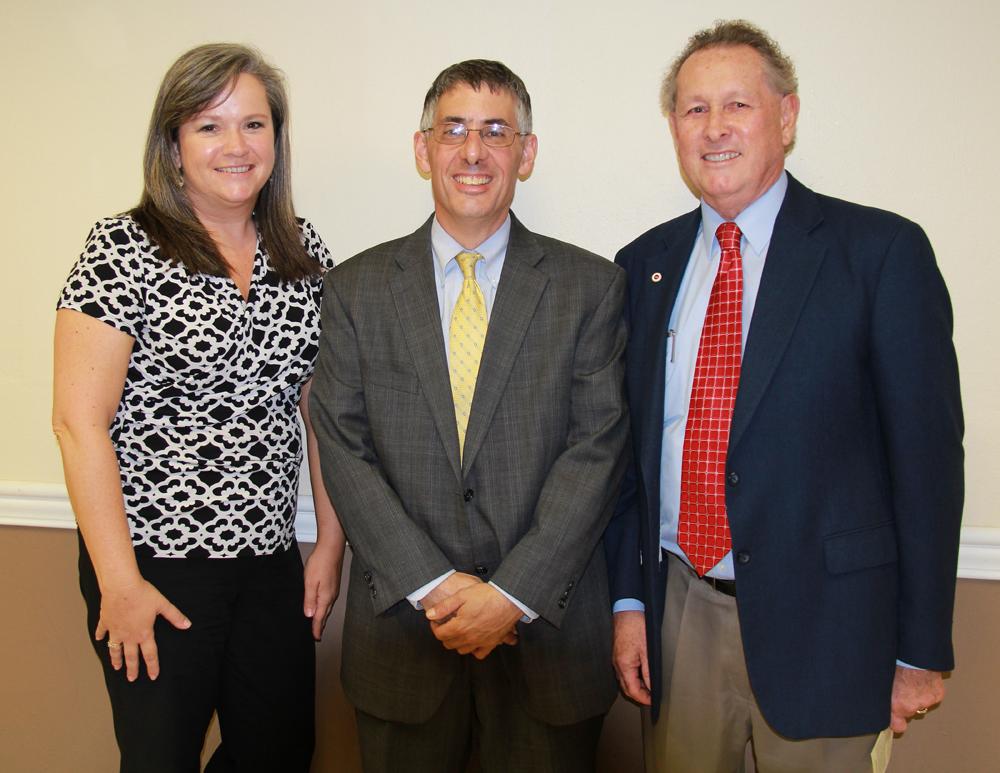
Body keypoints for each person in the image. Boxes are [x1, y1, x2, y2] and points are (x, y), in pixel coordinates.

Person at [604, 19, 964, 773]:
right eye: (694, 109)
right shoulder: (644, 265)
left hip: (832, 634)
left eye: (737, 104)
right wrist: (631, 604)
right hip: (680, 613)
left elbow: (928, 468)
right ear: (673, 127)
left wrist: (921, 650)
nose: (715, 128)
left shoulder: (879, 254)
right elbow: (628, 459)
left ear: (787, 115)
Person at [309, 59, 628, 773]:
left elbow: (598, 451)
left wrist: (510, 595)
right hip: (401, 636)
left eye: (495, 131)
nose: (473, 151)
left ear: (527, 151)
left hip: (546, 640)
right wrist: (438, 585)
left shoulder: (592, 288)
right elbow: (342, 445)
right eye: (452, 130)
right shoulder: (356, 288)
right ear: (422, 149)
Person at [52, 43, 345, 773]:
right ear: (173, 144)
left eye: (254, 124)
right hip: (153, 561)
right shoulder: (123, 248)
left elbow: (325, 416)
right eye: (210, 126)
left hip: (267, 561)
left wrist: (331, 542)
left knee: (280, 752)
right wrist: (119, 583)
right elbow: (78, 423)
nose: (236, 146)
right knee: (161, 757)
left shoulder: (303, 251)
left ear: (277, 140)